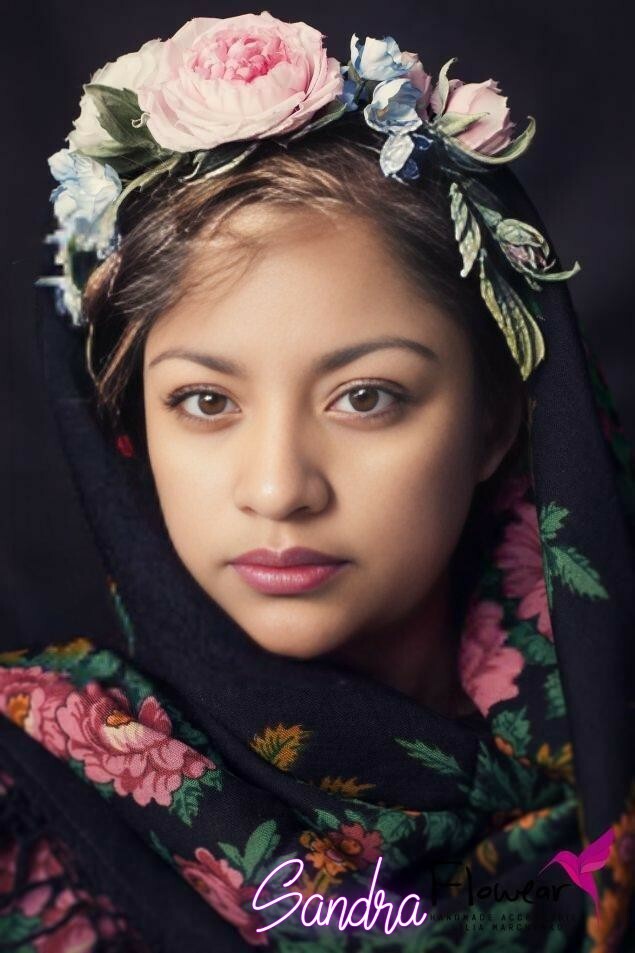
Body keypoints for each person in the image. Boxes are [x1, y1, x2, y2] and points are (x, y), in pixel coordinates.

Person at [1, 12, 633, 952]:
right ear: (131, 429)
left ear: (495, 419)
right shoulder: (31, 796)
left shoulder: (607, 758)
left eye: (365, 397)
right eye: (205, 401)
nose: (278, 488)